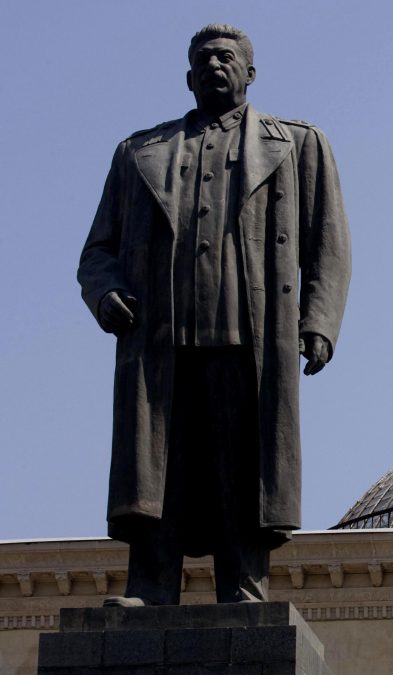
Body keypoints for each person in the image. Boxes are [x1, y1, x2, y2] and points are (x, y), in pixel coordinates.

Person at [78, 24, 351, 606]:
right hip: (159, 344)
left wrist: (318, 321)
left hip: (249, 340)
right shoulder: (138, 153)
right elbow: (97, 251)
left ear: (250, 73)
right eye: (202, 58)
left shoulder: (299, 145)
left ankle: (244, 588)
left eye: (227, 57)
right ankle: (150, 588)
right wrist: (105, 294)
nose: (213, 64)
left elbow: (327, 243)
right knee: (159, 473)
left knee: (242, 469)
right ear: (187, 76)